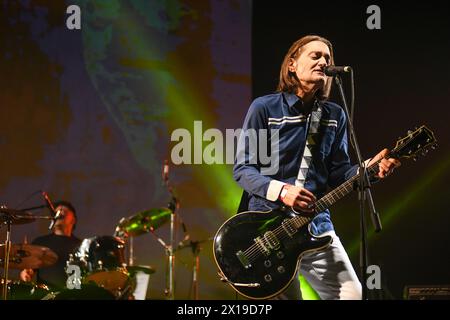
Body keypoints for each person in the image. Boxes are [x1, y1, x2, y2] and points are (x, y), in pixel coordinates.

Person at [233, 35, 401, 300]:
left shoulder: (335, 115)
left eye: (327, 58)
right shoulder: (264, 108)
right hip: (268, 227)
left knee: (352, 295)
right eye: (316, 56)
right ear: (291, 64)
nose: (324, 61)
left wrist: (369, 169)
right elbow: (243, 169)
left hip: (316, 225)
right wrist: (282, 191)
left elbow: (339, 173)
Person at [20, 201, 81, 291]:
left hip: (72, 295)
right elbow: (28, 271)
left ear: (73, 220)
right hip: (45, 295)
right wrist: (25, 274)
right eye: (56, 212)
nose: (59, 211)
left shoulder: (81, 246)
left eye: (64, 210)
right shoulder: (40, 242)